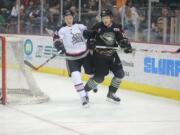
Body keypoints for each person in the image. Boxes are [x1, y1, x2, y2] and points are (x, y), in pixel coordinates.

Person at [83, 9, 133, 103]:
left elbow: (123, 39)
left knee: (120, 74)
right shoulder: (97, 26)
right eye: (103, 18)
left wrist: (126, 46)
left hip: (112, 55)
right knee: (99, 78)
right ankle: (84, 92)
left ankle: (111, 94)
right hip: (99, 56)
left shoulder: (117, 27)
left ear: (111, 18)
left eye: (106, 18)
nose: (105, 20)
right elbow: (89, 37)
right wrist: (90, 43)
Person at [53, 10, 94, 107]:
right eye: (66, 19)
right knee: (76, 77)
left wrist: (90, 37)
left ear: (73, 18)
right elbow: (56, 39)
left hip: (85, 55)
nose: (68, 20)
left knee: (93, 75)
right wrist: (59, 45)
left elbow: (86, 33)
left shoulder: (79, 25)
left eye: (70, 18)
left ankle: (87, 88)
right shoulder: (60, 29)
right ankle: (83, 97)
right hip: (71, 58)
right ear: (64, 19)